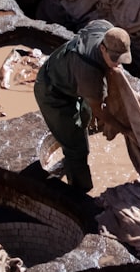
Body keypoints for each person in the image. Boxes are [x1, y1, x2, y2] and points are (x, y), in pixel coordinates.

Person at [33, 19, 131, 192]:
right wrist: (123, 128)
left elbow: (93, 22)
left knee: (85, 116)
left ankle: (71, 155)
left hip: (68, 76)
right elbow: (98, 110)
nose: (118, 64)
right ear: (102, 48)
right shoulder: (89, 73)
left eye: (121, 59)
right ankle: (80, 190)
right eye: (114, 59)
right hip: (53, 92)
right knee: (77, 148)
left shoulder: (104, 28)